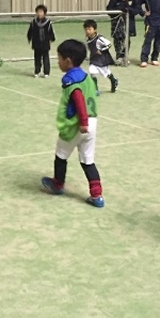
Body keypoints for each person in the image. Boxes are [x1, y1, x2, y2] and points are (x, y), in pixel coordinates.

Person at [41, 39, 105, 208]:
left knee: (61, 155)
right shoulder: (86, 77)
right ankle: (97, 195)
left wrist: (82, 121)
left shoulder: (71, 80)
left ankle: (58, 184)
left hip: (77, 125)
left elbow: (78, 99)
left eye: (59, 58)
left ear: (68, 61)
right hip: (93, 123)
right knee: (87, 160)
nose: (58, 62)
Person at [106, 0, 138, 64]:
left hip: (128, 23)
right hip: (117, 24)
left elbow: (137, 9)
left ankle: (124, 56)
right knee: (118, 39)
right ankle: (119, 57)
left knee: (127, 40)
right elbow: (109, 10)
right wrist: (120, 9)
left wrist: (129, 10)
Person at [83, 19, 118, 94]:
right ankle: (95, 89)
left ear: (95, 29)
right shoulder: (88, 39)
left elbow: (109, 44)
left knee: (105, 72)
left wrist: (101, 50)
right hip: (93, 59)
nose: (87, 31)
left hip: (101, 59)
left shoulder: (99, 38)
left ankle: (113, 80)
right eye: (86, 29)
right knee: (92, 71)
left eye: (90, 29)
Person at [27, 4, 56, 78]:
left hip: (45, 43)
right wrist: (29, 37)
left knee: (46, 58)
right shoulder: (33, 22)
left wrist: (51, 38)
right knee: (37, 58)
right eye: (38, 12)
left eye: (41, 12)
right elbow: (30, 31)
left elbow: (51, 32)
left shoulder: (48, 22)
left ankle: (46, 72)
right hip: (36, 43)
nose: (39, 13)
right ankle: (37, 71)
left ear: (44, 13)